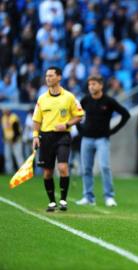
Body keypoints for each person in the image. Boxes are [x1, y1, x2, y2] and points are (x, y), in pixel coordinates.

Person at [32, 66, 84, 212]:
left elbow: (80, 115)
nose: (48, 78)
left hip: (63, 136)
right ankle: (52, 202)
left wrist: (67, 124)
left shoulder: (69, 97)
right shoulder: (42, 98)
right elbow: (36, 120)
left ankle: (63, 200)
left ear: (59, 77)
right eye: (46, 76)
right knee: (47, 172)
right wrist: (35, 136)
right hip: (46, 137)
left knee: (62, 167)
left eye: (51, 76)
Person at [76, 75, 130, 207]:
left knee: (105, 167)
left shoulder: (109, 101)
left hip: (102, 139)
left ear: (101, 85)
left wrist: (113, 131)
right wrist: (80, 130)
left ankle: (109, 197)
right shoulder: (85, 100)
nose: (91, 87)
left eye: (94, 84)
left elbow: (126, 115)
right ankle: (88, 197)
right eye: (89, 85)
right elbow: (75, 114)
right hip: (87, 139)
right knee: (86, 169)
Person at [1, 109, 24, 174]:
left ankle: (22, 172)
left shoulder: (14, 117)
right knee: (7, 156)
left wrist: (14, 139)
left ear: (9, 110)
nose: (5, 111)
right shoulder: (3, 118)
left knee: (18, 156)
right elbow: (4, 130)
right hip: (7, 140)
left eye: (6, 110)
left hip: (16, 140)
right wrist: (4, 137)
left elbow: (17, 130)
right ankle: (9, 171)